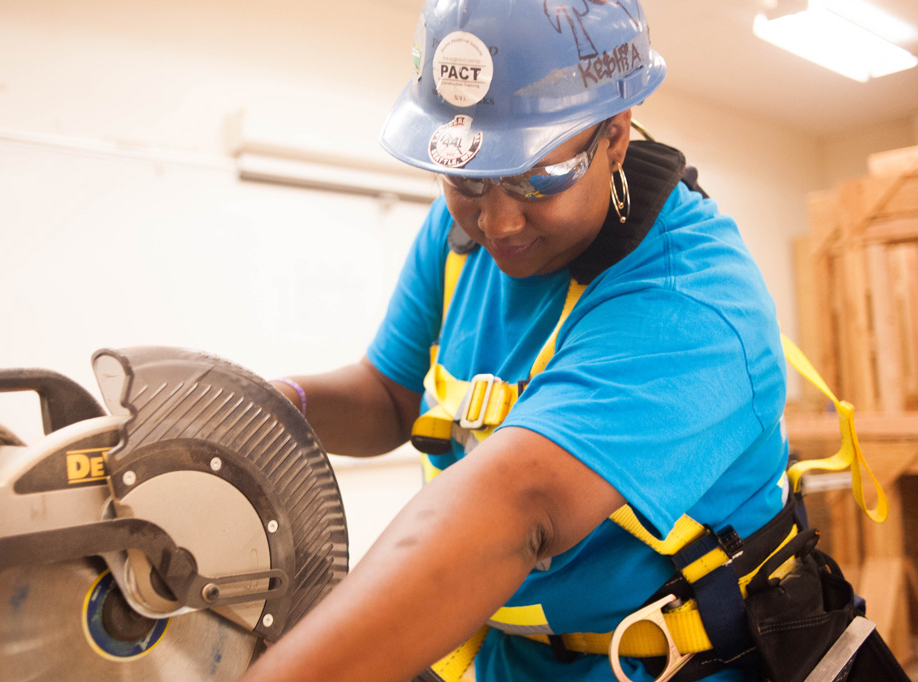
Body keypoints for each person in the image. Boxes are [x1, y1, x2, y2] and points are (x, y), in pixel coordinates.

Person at [240, 2, 789, 681]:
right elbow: (388, 396)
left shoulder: (691, 299)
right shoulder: (458, 240)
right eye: (468, 178)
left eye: (534, 175)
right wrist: (256, 407)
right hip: (514, 661)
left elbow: (519, 508)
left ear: (614, 136)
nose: (497, 220)